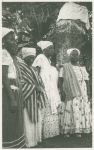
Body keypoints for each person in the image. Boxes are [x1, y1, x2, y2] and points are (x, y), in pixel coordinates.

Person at [58, 48, 92, 137]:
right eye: (72, 55)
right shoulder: (65, 67)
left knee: (79, 109)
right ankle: (67, 130)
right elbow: (60, 80)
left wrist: (88, 91)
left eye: (76, 55)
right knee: (70, 108)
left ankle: (78, 129)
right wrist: (62, 91)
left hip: (81, 90)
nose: (74, 56)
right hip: (69, 90)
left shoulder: (82, 68)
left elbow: (87, 80)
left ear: (78, 56)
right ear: (69, 56)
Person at [2, 27, 26, 148]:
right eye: (11, 40)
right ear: (2, 41)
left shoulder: (9, 55)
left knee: (15, 122)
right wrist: (12, 99)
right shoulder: (3, 53)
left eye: (14, 40)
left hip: (14, 91)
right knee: (9, 123)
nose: (15, 42)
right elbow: (4, 78)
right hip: (8, 93)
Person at [19, 47, 47, 147]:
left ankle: (36, 139)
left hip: (35, 98)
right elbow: (20, 83)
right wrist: (34, 87)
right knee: (28, 120)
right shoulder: (20, 67)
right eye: (28, 58)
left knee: (37, 119)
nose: (31, 60)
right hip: (27, 98)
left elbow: (39, 80)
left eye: (32, 58)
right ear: (23, 57)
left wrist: (40, 87)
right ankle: (29, 141)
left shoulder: (33, 68)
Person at [33, 41, 61, 139]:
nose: (52, 50)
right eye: (50, 48)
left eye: (53, 48)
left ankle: (50, 134)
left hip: (51, 90)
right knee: (44, 110)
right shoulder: (40, 57)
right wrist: (39, 85)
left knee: (50, 109)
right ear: (44, 50)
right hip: (43, 88)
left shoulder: (48, 61)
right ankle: (42, 135)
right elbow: (35, 72)